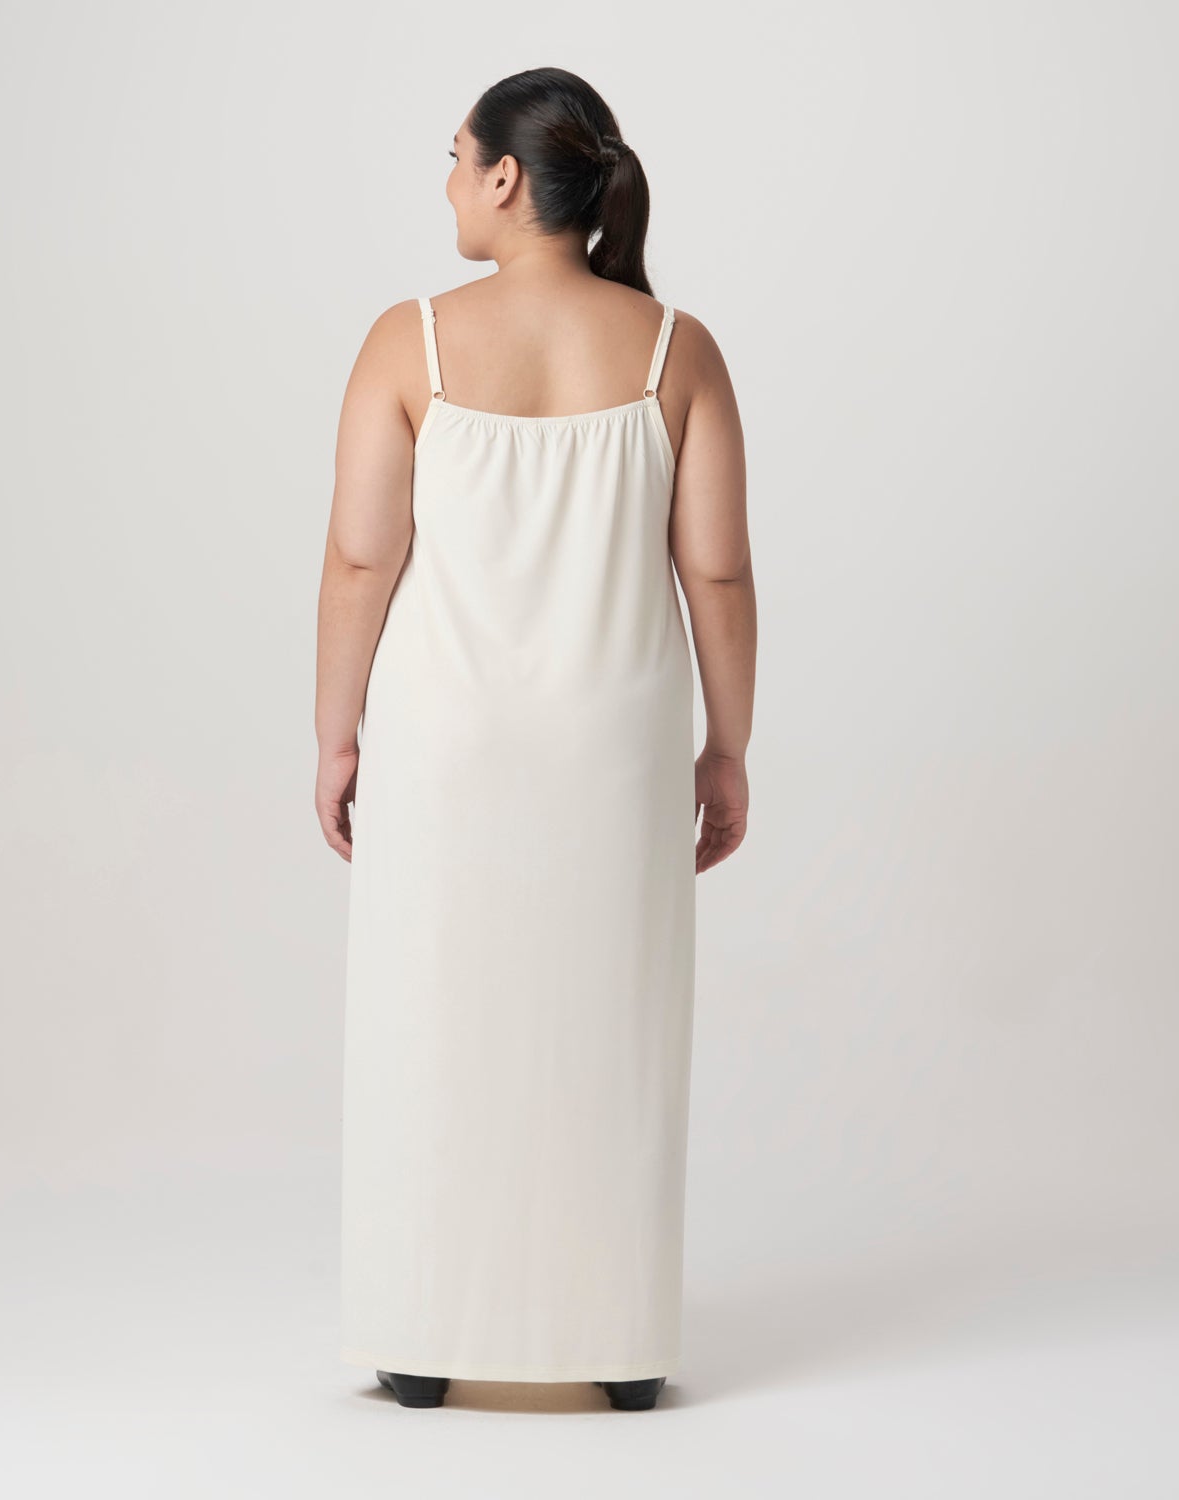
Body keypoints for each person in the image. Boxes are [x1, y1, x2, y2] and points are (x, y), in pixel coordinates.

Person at [314, 66, 754, 1412]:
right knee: (609, 1031)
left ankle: (423, 1337)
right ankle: (618, 1346)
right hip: (616, 754)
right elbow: (717, 572)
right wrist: (728, 747)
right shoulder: (676, 350)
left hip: (445, 749)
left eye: (457, 159)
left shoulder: (411, 343)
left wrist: (336, 736)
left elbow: (359, 560)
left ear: (507, 179)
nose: (449, 183)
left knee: (434, 1023)